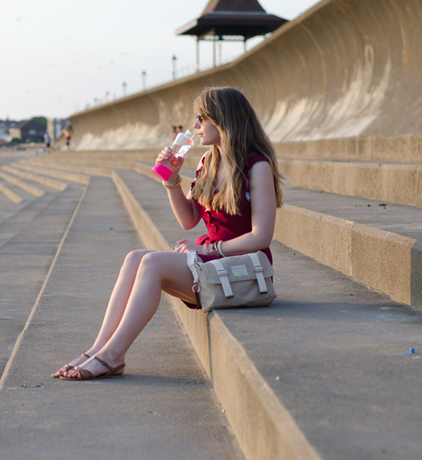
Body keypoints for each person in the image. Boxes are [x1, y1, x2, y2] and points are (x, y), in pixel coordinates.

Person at [54, 86, 283, 381]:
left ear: (223, 119)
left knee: (152, 263)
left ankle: (113, 356)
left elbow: (261, 237)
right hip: (215, 265)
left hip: (244, 272)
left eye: (202, 118)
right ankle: (97, 350)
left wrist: (204, 251)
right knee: (135, 257)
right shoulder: (208, 162)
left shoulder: (257, 165)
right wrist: (172, 180)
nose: (196, 126)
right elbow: (189, 220)